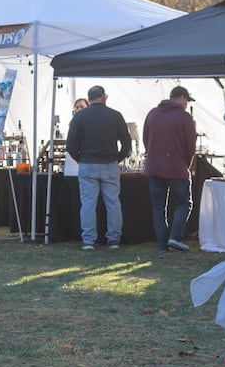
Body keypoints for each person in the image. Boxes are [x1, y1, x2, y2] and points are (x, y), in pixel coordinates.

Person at [64, 85, 131, 251]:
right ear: (104, 97)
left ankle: (88, 240)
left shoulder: (79, 117)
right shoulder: (115, 116)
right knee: (113, 202)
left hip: (87, 164)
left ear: (89, 98)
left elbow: (70, 145)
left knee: (88, 203)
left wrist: (82, 159)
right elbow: (127, 143)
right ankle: (114, 239)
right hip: (109, 164)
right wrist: (117, 158)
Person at [142, 85, 197, 252]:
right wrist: (185, 164)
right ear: (181, 98)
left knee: (158, 207)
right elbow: (190, 146)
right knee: (184, 203)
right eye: (186, 100)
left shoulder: (152, 114)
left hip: (153, 168)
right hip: (176, 167)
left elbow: (146, 140)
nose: (186, 103)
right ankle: (175, 237)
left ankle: (161, 245)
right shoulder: (185, 117)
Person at [62, 97, 90, 178]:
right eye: (77, 107)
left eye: (82, 107)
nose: (79, 109)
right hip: (74, 158)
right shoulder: (73, 122)